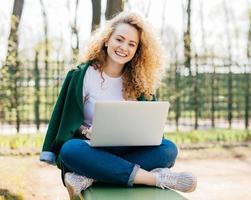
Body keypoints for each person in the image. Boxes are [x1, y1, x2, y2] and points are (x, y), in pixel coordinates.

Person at [40, 11, 197, 200]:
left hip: (125, 149)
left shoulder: (141, 82)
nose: (124, 47)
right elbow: (66, 118)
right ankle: (154, 178)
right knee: (69, 150)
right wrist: (87, 131)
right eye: (119, 39)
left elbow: (151, 131)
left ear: (137, 50)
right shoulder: (82, 75)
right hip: (91, 150)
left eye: (132, 44)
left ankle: (90, 177)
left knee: (168, 149)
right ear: (107, 40)